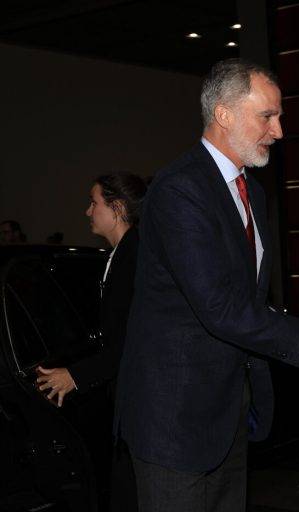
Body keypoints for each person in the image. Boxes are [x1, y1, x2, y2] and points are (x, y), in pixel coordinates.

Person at [113, 58, 299, 512]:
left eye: (279, 117)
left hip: (229, 416)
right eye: (267, 116)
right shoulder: (179, 190)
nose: (278, 131)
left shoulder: (251, 192)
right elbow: (220, 308)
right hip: (175, 424)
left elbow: (252, 303)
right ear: (223, 114)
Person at [36, 172, 147, 512]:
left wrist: (75, 375)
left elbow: (131, 341)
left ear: (116, 208)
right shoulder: (120, 256)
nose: (87, 211)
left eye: (93, 202)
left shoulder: (135, 257)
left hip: (141, 404)